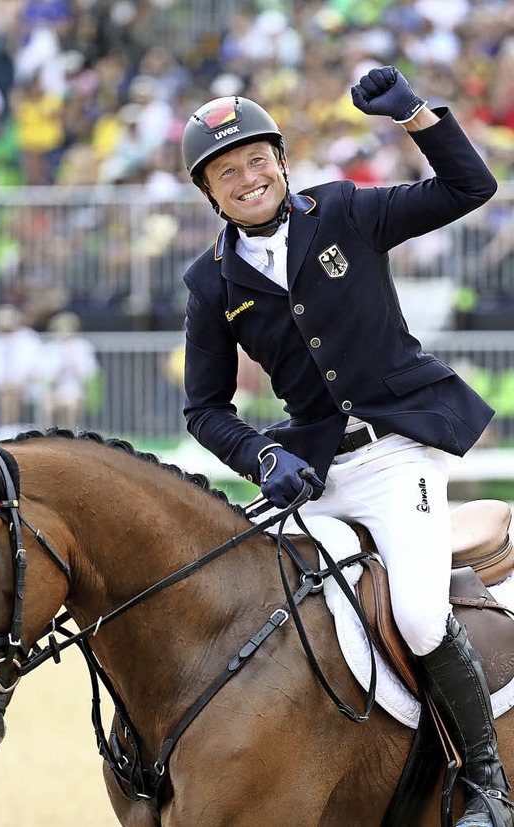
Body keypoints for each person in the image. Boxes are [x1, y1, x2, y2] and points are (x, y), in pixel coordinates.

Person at [180, 67, 511, 827]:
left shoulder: (344, 211)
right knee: (251, 607)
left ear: (281, 161)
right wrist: (261, 456)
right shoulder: (210, 280)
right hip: (311, 469)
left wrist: (417, 116)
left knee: (423, 618)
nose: (246, 177)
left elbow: (470, 188)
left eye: (256, 159)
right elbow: (204, 408)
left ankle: (487, 784)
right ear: (210, 193)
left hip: (398, 453)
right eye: (226, 171)